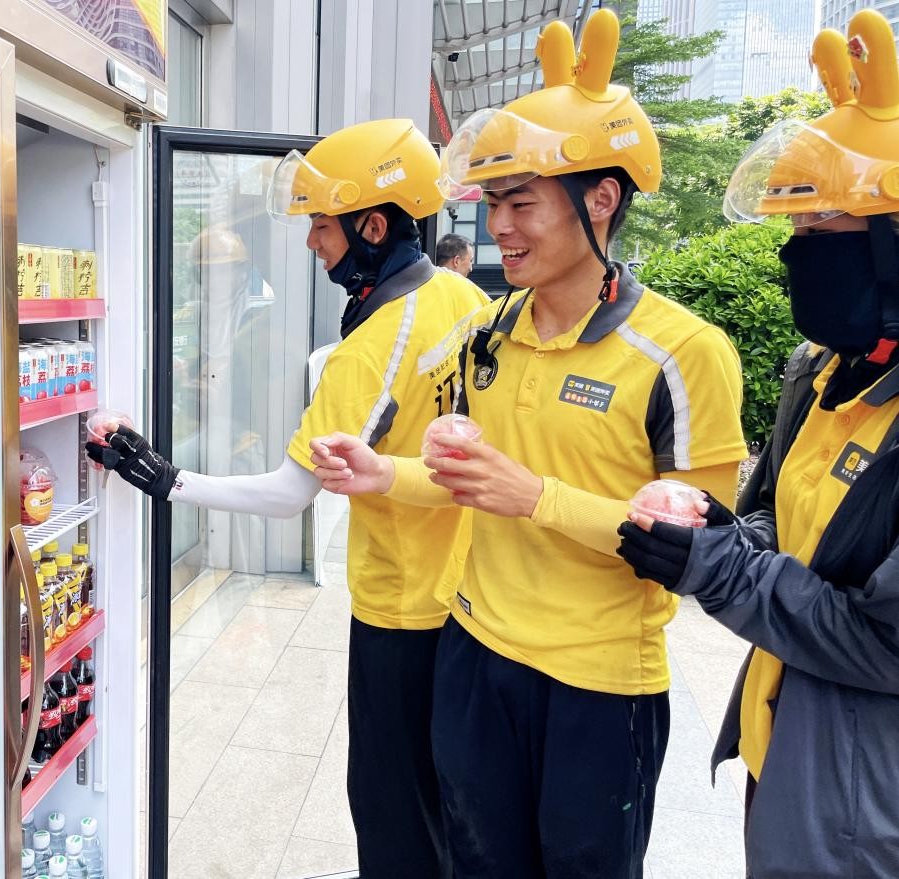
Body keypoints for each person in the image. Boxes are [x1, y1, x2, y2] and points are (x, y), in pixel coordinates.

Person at [308, 11, 748, 877]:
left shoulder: (684, 353)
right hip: (472, 658)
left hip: (597, 686)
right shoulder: (488, 328)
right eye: (492, 204)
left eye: (520, 204)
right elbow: (467, 479)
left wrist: (534, 494)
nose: (496, 228)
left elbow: (709, 546)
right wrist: (383, 470)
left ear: (601, 199)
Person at [87, 119, 486, 878]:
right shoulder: (462, 296)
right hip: (469, 595)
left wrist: (167, 479)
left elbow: (287, 493)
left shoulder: (367, 350)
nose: (311, 243)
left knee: (389, 804)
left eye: (321, 226)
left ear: (373, 226)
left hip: (402, 608)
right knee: (444, 801)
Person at [617, 10, 899, 877]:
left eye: (819, 236)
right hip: (783, 754)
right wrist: (715, 528)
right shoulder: (817, 371)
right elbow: (778, 518)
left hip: (866, 811)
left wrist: (718, 566)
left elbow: (882, 643)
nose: (791, 258)